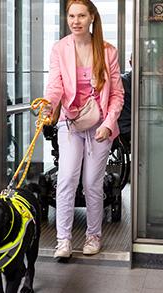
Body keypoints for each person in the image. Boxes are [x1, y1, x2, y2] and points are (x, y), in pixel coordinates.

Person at [37, 0, 124, 258]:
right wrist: (47, 106)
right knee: (65, 180)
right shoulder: (60, 49)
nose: (76, 21)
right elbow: (55, 86)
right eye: (71, 16)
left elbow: (117, 94)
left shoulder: (108, 51)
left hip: (100, 125)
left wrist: (109, 125)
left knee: (92, 184)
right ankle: (63, 241)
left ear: (91, 18)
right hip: (70, 123)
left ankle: (93, 236)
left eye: (81, 16)